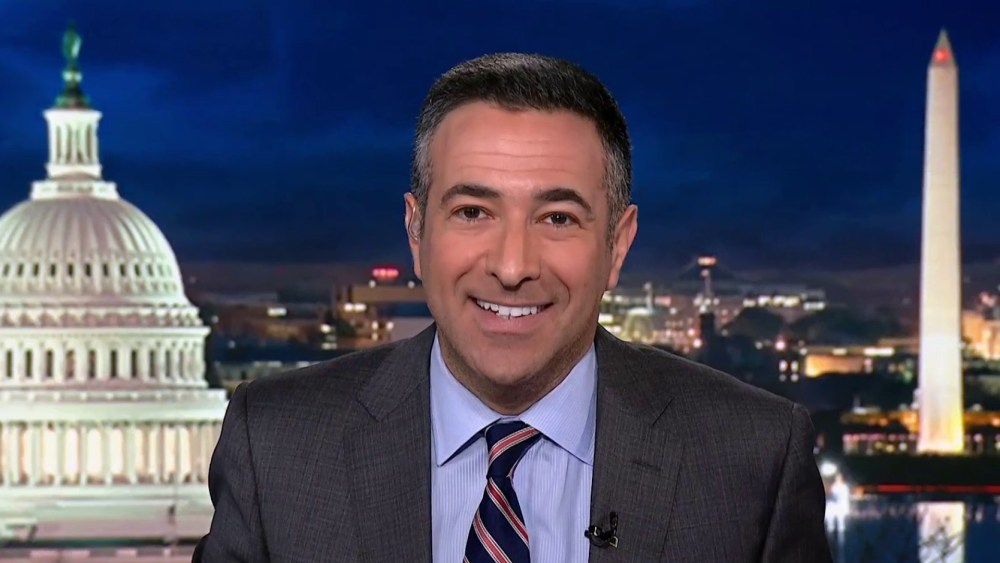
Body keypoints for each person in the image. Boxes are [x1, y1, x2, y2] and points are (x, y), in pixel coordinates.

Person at [194, 53, 831, 562]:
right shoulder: (277, 447)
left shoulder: (754, 460)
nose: (511, 265)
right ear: (416, 232)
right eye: (473, 212)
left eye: (557, 218)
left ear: (617, 246)